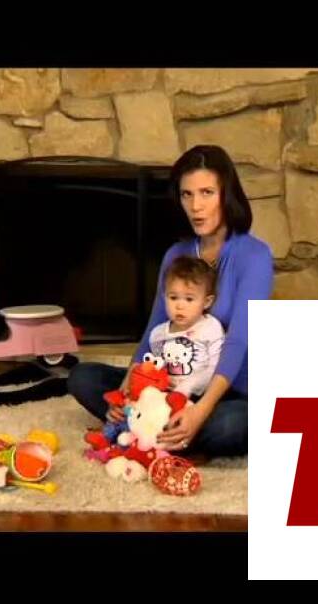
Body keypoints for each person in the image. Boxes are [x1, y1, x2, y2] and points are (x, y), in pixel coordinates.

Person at [68, 144, 274, 457]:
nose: (196, 206)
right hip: (170, 385)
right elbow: (154, 328)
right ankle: (161, 431)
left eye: (206, 193)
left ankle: (153, 432)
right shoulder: (176, 254)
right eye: (186, 195)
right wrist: (125, 394)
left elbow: (238, 341)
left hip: (230, 391)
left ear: (227, 196)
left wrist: (199, 411)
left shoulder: (255, 255)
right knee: (82, 378)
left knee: (231, 425)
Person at [147, 255, 224, 399]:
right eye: (173, 297)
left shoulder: (210, 327)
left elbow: (215, 367)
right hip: (165, 395)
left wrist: (188, 386)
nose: (180, 306)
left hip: (198, 396)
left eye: (189, 299)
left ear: (206, 302)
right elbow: (156, 367)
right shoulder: (157, 334)